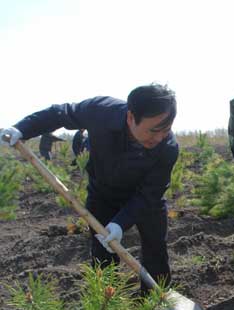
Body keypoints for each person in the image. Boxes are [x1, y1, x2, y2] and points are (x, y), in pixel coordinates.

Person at [1, 84, 179, 293]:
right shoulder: (101, 112)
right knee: (103, 254)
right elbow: (61, 113)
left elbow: (150, 194)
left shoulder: (167, 148)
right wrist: (23, 128)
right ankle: (106, 307)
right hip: (103, 194)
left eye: (165, 130)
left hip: (145, 200)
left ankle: (156, 304)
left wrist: (121, 223)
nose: (159, 138)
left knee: (155, 248)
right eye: (154, 130)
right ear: (131, 117)